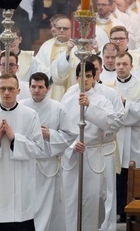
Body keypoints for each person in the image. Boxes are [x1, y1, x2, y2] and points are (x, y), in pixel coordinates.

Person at [0, 73, 44, 230]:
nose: (6, 93)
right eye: (3, 89)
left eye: (11, 89)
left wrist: (14, 138)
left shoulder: (30, 115)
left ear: (18, 91)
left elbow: (38, 149)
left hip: (20, 183)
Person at [60, 61, 116, 231]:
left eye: (89, 76)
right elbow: (60, 128)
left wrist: (89, 107)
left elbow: (109, 122)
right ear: (76, 77)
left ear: (94, 78)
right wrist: (71, 146)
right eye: (81, 75)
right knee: (71, 199)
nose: (85, 79)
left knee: (93, 198)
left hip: (92, 152)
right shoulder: (67, 100)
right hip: (73, 155)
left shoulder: (102, 101)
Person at [20, 72, 78, 231]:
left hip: (48, 167)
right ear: (29, 87)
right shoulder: (21, 106)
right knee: (27, 205)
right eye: (33, 87)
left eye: (40, 87)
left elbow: (71, 134)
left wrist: (50, 134)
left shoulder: (57, 107)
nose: (36, 90)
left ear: (48, 88)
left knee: (47, 207)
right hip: (26, 164)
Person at [103, 52, 140, 223]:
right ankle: (115, 211)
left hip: (134, 137)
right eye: (118, 64)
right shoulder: (107, 86)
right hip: (115, 137)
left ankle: (131, 212)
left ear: (131, 66)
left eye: (124, 64)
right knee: (115, 176)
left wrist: (126, 104)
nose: (121, 67)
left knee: (130, 175)